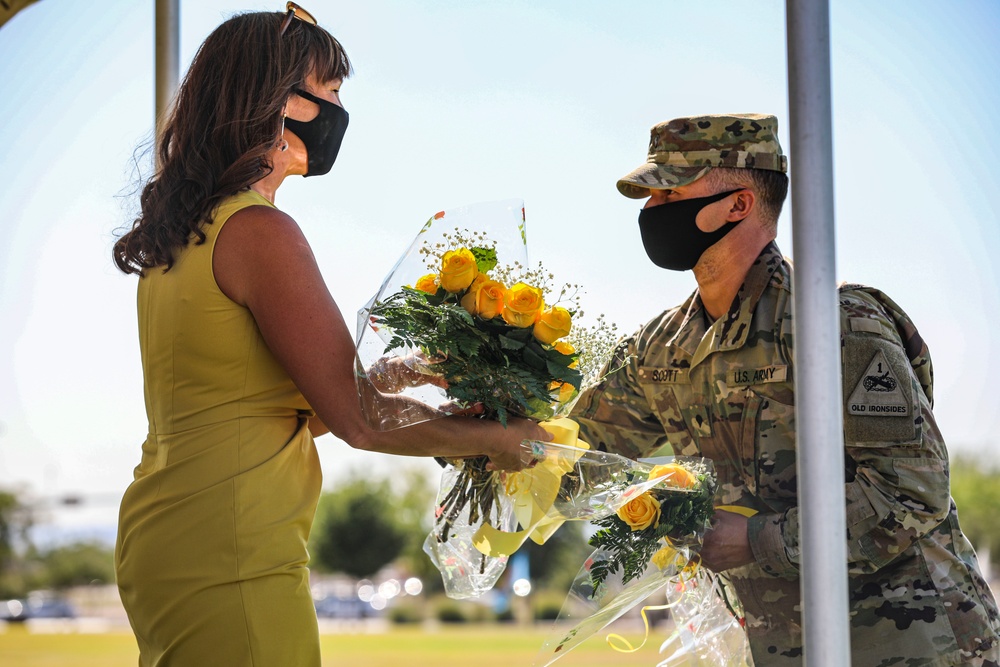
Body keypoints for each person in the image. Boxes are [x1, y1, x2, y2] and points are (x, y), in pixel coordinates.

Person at [111, 5, 548, 666]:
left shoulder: (186, 234)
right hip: (233, 553)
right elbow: (358, 420)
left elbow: (268, 406)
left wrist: (401, 370)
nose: (341, 111)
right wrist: (500, 440)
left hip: (174, 534)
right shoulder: (259, 231)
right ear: (278, 102)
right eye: (333, 93)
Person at [571, 113, 1000, 666]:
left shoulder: (835, 321)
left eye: (668, 191)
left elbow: (911, 493)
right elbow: (572, 451)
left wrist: (756, 541)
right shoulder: (663, 347)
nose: (651, 210)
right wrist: (459, 407)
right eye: (649, 196)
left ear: (739, 205)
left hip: (914, 645)